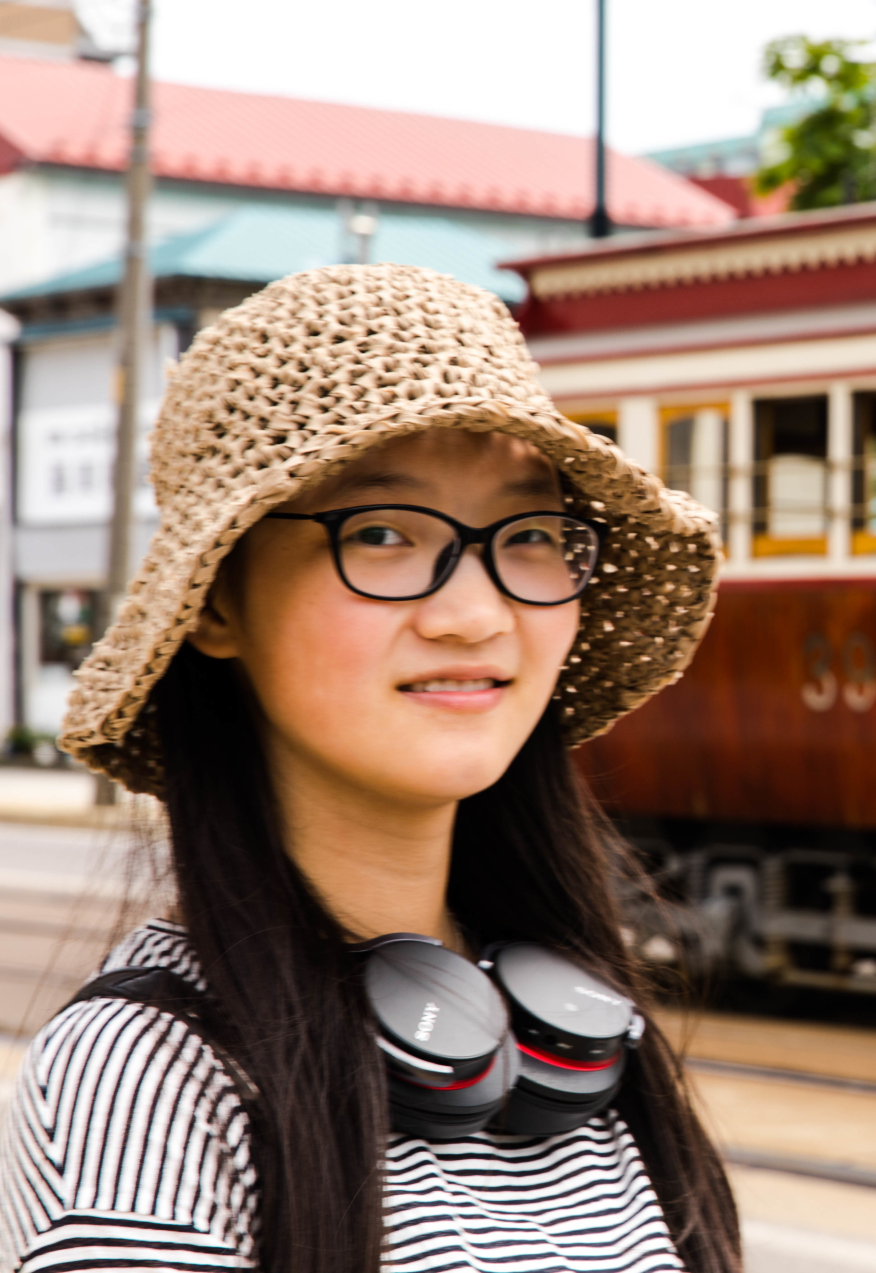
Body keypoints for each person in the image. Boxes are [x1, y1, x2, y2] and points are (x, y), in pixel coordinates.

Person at [0, 266, 738, 1273]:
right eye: (382, 534)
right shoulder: (146, 1073)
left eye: (527, 536)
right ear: (216, 604)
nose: (476, 615)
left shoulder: (574, 1038)